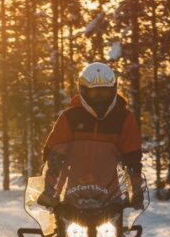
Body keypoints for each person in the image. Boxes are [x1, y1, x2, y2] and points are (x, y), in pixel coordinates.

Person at [40, 62, 144, 209]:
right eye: (94, 94)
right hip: (72, 193)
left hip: (111, 195)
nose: (100, 99)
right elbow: (55, 157)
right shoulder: (70, 118)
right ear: (83, 91)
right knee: (61, 229)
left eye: (105, 93)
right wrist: (48, 191)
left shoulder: (124, 118)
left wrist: (136, 192)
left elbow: (133, 160)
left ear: (113, 91)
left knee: (118, 230)